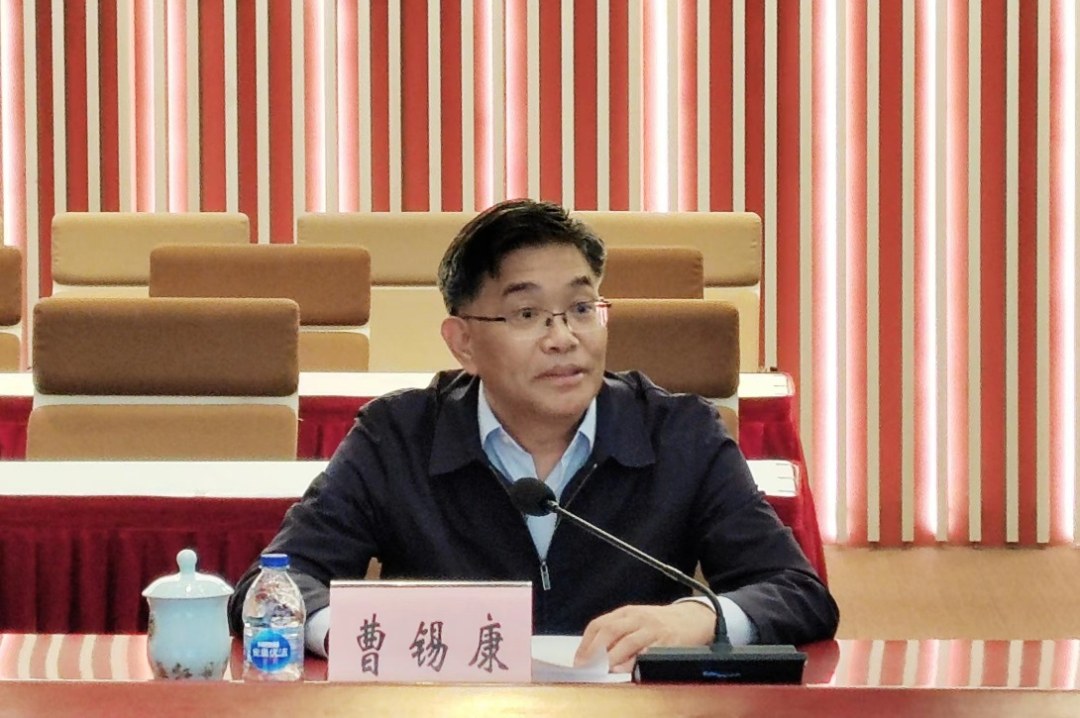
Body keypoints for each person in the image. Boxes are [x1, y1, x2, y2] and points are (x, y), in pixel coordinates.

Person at [227, 199, 839, 672]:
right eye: (527, 315)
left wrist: (699, 617)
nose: (563, 338)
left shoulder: (679, 434)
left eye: (581, 309)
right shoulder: (400, 436)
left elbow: (797, 592)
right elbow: (271, 585)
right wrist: (363, 637)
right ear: (463, 342)